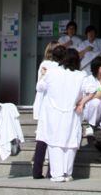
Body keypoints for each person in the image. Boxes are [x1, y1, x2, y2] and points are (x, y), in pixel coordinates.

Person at [36, 48, 93, 182]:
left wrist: (44, 75)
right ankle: (67, 173)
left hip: (54, 114)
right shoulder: (81, 75)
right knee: (70, 143)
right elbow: (93, 90)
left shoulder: (52, 73)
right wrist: (81, 103)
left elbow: (39, 87)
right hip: (72, 114)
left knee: (55, 144)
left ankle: (57, 174)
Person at [32, 44, 66, 179]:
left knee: (42, 139)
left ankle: (37, 171)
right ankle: (52, 171)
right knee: (54, 141)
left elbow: (39, 86)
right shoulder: (61, 69)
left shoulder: (46, 67)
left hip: (45, 106)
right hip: (56, 107)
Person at [82, 56, 101, 136]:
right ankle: (91, 126)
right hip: (90, 111)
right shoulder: (89, 79)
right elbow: (94, 97)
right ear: (97, 67)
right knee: (96, 102)